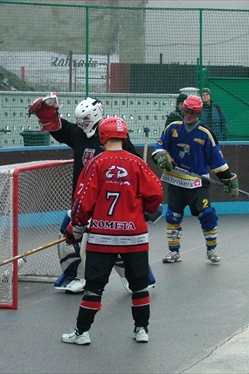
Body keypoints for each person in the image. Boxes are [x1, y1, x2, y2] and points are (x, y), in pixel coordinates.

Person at [28, 94, 158, 293]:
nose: (82, 124)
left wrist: (143, 204)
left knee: (111, 243)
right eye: (80, 120)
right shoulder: (79, 132)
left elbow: (136, 167)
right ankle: (77, 277)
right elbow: (58, 127)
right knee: (70, 237)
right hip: (84, 201)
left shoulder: (115, 139)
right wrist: (47, 117)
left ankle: (137, 278)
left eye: (86, 120)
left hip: (109, 206)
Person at [61, 117, 163, 345]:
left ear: (102, 136)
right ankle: (141, 330)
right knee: (139, 285)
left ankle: (82, 332)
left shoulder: (95, 164)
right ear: (124, 136)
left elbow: (82, 202)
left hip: (102, 238)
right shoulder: (137, 163)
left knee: (94, 286)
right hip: (134, 237)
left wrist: (74, 230)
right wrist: (145, 210)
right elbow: (156, 192)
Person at [151, 95, 239, 264]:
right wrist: (161, 155)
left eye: (192, 112)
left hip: (198, 184)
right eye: (186, 111)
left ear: (198, 112)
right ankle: (173, 252)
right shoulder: (172, 128)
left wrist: (228, 179)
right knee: (173, 216)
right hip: (176, 181)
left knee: (207, 214)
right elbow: (159, 146)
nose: (188, 115)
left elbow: (217, 161)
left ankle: (211, 249)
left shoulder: (205, 134)